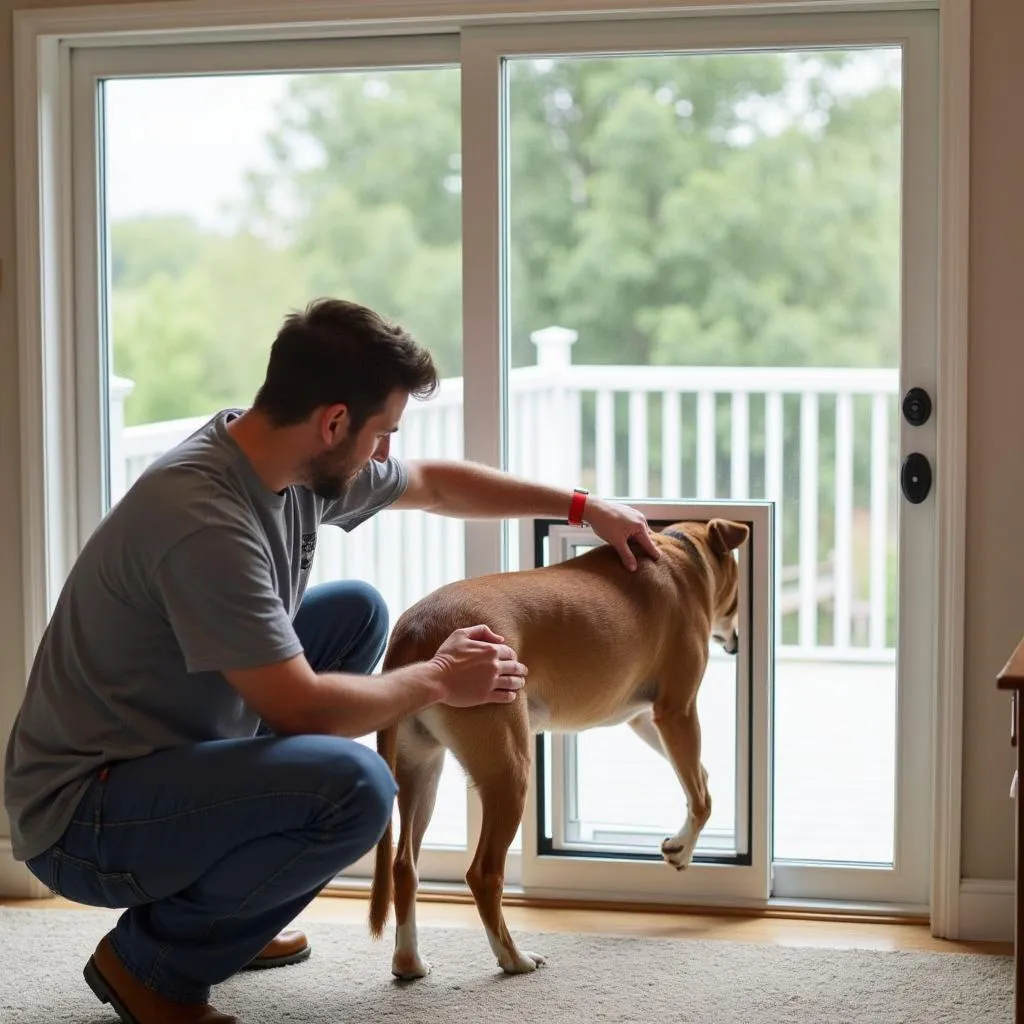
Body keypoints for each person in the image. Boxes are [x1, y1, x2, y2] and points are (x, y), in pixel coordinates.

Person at [3, 297, 658, 1024]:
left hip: (160, 758)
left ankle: (224, 911)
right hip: (85, 817)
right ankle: (153, 968)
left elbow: (436, 485)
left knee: (355, 614)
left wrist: (583, 507)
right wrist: (440, 677)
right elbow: (303, 708)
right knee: (356, 788)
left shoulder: (271, 459)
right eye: (382, 434)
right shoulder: (204, 519)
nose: (385, 455)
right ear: (334, 422)